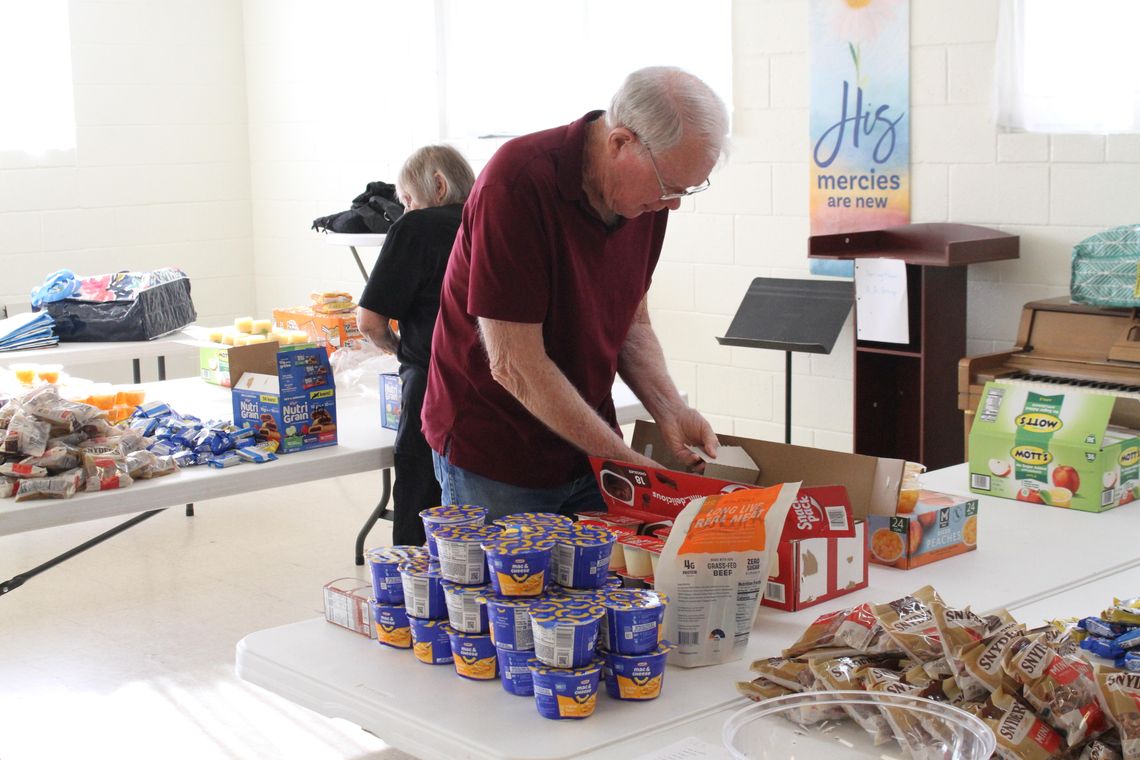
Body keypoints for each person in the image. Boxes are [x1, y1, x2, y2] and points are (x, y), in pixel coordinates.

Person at [422, 66, 728, 520]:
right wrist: (630, 466)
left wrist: (669, 408)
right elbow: (514, 364)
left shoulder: (646, 202)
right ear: (620, 143)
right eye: (670, 186)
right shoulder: (516, 184)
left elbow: (631, 323)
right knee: (511, 590)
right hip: (497, 454)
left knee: (601, 588)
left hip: (586, 446)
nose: (674, 203)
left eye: (688, 189)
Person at [357, 145, 476, 545]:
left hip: (433, 385)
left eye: (407, 199)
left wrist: (394, 346)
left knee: (421, 504)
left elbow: (370, 322)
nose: (406, 210)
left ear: (438, 186)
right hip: (496, 387)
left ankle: (415, 598)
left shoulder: (416, 227)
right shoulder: (492, 221)